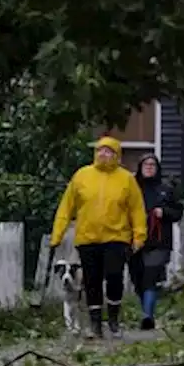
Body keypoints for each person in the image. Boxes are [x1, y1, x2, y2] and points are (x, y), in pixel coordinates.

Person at [50, 136, 147, 339]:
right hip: (88, 238)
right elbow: (66, 208)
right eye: (100, 150)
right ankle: (95, 324)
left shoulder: (126, 179)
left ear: (117, 155)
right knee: (91, 281)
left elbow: (137, 210)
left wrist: (139, 237)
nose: (104, 154)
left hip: (117, 237)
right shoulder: (82, 176)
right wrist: (57, 234)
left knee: (114, 277)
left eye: (109, 151)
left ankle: (113, 320)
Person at [130, 154, 184, 330]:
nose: (149, 167)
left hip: (159, 241)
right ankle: (146, 308)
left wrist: (164, 212)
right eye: (145, 164)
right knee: (137, 279)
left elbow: (178, 213)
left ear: (157, 168)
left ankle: (148, 316)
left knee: (150, 277)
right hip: (135, 241)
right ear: (140, 167)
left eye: (152, 164)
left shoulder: (166, 190)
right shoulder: (131, 188)